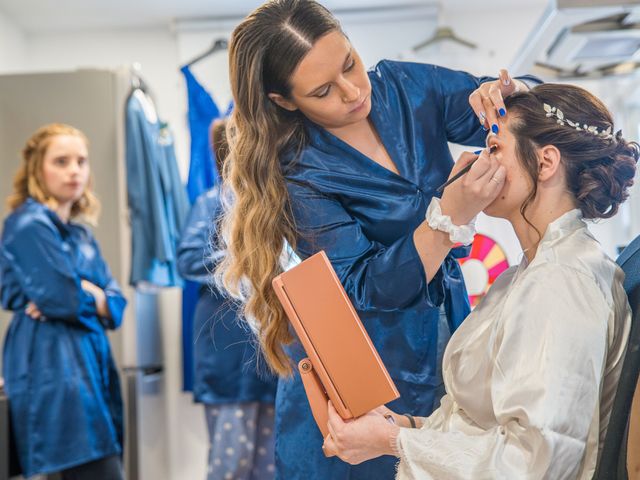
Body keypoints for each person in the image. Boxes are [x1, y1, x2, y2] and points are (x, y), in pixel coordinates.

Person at [217, 0, 540, 478]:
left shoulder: (407, 88)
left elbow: (526, 118)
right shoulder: (297, 168)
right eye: (324, 90)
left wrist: (511, 94)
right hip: (357, 368)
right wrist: (448, 216)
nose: (352, 92)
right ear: (284, 101)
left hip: (441, 331)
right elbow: (366, 286)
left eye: (350, 63)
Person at [323, 83, 639, 480]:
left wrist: (392, 443)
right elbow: (483, 426)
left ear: (545, 163)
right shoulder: (524, 274)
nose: (475, 162)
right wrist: (401, 428)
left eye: (493, 148)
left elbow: (534, 463)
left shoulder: (562, 282)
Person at [0, 124, 127, 479]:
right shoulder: (28, 224)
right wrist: (89, 297)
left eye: (81, 161)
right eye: (61, 161)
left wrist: (94, 296)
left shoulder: (81, 233)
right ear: (37, 169)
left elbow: (116, 304)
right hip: (52, 363)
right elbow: (62, 300)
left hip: (90, 359)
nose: (74, 170)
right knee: (93, 467)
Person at [178, 119, 278, 480]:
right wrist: (244, 262)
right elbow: (188, 259)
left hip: (268, 352)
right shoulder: (212, 202)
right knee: (231, 461)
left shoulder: (273, 204)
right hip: (227, 350)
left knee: (270, 463)